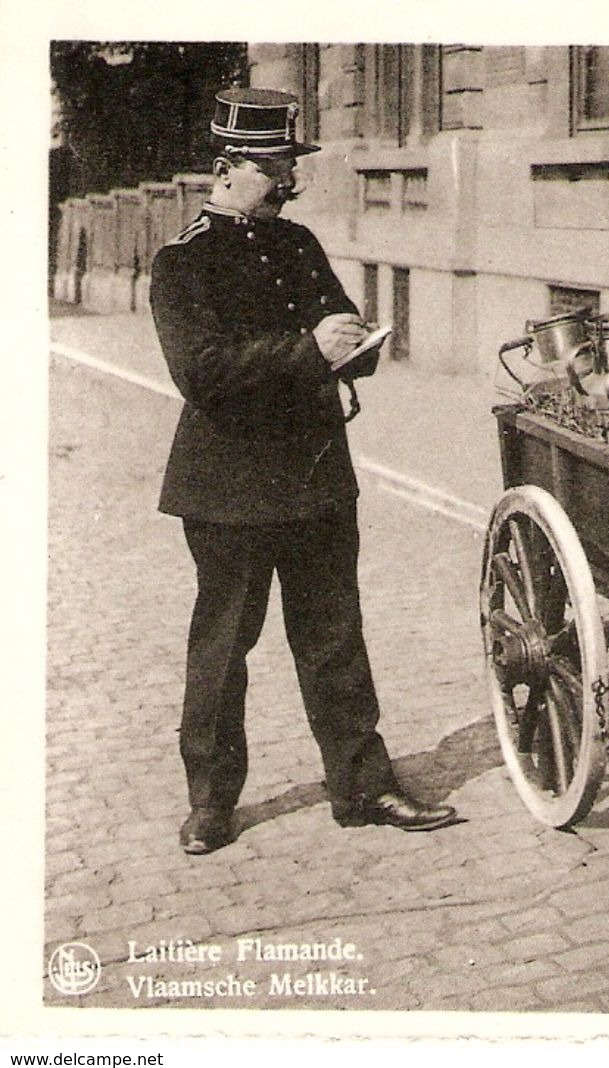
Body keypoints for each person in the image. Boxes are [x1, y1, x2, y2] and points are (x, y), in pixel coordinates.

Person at [150, 88, 457, 855]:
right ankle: (212, 802)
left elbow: (338, 320)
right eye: (274, 168)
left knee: (334, 639)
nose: (289, 183)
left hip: (317, 475)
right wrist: (309, 353)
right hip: (229, 488)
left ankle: (363, 787)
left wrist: (357, 347)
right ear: (225, 169)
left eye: (288, 168)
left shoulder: (298, 244)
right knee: (223, 650)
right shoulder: (182, 262)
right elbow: (203, 373)